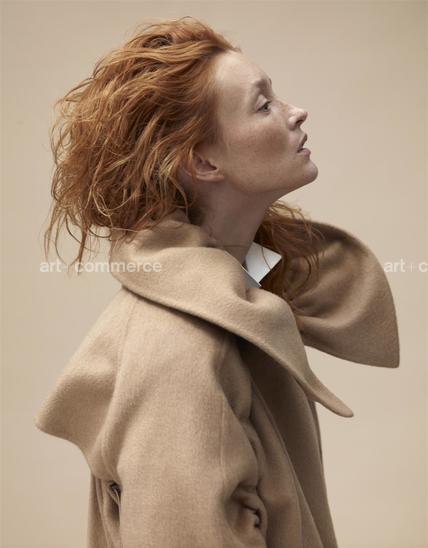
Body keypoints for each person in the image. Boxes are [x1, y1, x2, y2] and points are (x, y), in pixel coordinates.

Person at [34, 16, 400, 547]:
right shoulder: (178, 347)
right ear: (203, 162)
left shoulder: (242, 293)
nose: (296, 111)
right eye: (263, 104)